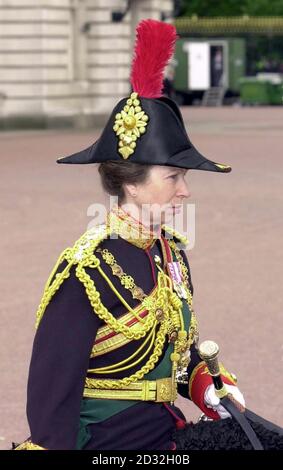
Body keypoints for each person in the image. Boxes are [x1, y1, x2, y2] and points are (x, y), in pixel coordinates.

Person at [13, 19, 280, 451]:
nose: (186, 190)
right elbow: (51, 399)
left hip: (164, 433)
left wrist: (208, 386)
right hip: (106, 445)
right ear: (131, 183)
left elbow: (175, 351)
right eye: (173, 176)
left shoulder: (169, 251)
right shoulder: (86, 268)